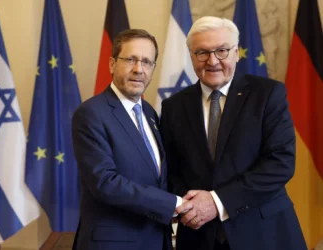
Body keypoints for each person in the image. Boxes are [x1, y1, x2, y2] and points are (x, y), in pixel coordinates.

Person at [160, 16, 306, 250]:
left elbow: (281, 163)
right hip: (199, 237)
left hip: (264, 234)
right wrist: (188, 205)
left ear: (236, 52)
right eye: (202, 53)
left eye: (222, 51)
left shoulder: (268, 94)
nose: (212, 61)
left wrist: (217, 201)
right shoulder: (173, 106)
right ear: (192, 57)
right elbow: (171, 171)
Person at [71, 29, 184, 250]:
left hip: (155, 239)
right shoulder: (91, 113)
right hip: (113, 243)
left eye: (146, 62)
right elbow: (105, 182)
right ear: (112, 64)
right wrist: (174, 203)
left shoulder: (150, 114)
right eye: (130, 60)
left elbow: (155, 175)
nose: (138, 69)